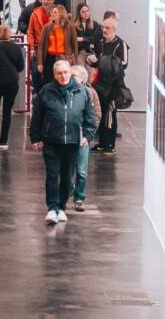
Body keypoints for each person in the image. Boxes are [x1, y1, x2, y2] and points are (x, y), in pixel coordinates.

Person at [29, 59, 98, 224]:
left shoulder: (82, 92)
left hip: (73, 142)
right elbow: (37, 117)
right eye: (59, 73)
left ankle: (61, 207)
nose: (63, 76)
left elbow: (89, 116)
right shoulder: (46, 92)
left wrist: (87, 136)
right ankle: (52, 208)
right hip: (52, 141)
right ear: (54, 75)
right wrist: (35, 138)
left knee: (67, 177)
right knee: (52, 175)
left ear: (70, 73)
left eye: (66, 72)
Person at [69, 64, 103, 212]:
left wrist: (89, 135)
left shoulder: (90, 93)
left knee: (82, 170)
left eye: (73, 76)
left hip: (83, 136)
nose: (70, 78)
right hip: (67, 136)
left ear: (82, 78)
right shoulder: (63, 91)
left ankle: (79, 198)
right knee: (66, 169)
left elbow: (96, 114)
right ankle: (68, 188)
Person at [93, 12, 128, 153]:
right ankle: (102, 142)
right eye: (103, 27)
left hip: (114, 83)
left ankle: (110, 144)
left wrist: (107, 63)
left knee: (110, 114)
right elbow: (99, 60)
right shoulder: (101, 42)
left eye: (107, 28)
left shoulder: (121, 44)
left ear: (114, 29)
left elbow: (124, 63)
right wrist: (95, 63)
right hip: (101, 82)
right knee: (101, 112)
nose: (104, 30)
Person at [0, 23, 25, 150]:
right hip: (12, 82)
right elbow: (21, 67)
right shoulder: (16, 48)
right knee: (7, 111)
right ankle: (3, 141)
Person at [38, 4, 77, 84]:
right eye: (52, 12)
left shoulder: (70, 26)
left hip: (64, 57)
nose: (52, 14)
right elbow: (41, 46)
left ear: (61, 14)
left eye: (55, 12)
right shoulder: (47, 27)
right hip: (50, 57)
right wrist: (40, 63)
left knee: (63, 80)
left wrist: (75, 61)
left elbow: (75, 45)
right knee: (48, 81)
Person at [26, 0, 55, 90]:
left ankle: (48, 92)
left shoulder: (57, 13)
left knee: (50, 72)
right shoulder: (36, 13)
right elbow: (30, 32)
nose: (45, 1)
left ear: (53, 0)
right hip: (38, 47)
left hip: (52, 47)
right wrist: (31, 48)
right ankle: (38, 92)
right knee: (35, 72)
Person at [73, 2, 103, 67]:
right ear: (79, 13)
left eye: (87, 11)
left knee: (91, 71)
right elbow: (74, 40)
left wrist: (82, 39)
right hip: (80, 51)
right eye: (83, 12)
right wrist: (89, 43)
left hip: (92, 52)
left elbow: (96, 38)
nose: (86, 13)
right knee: (80, 69)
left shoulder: (94, 23)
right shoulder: (74, 25)